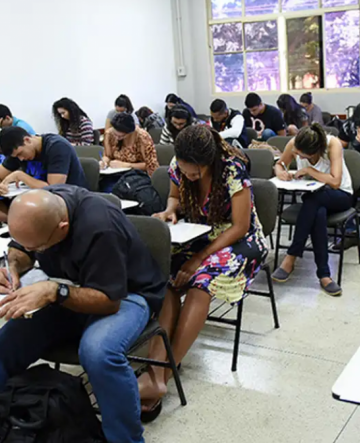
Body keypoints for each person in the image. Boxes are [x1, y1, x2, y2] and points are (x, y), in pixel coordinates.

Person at [0, 186, 167, 443]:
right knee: (2, 348)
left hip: (126, 294)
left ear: (63, 227)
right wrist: (13, 267)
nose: (35, 252)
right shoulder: (36, 207)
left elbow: (109, 301)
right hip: (66, 287)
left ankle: (126, 440)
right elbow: (21, 249)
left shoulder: (101, 226)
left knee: (98, 352)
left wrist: (55, 291)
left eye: (39, 248)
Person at [141, 126, 267, 417]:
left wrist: (199, 258)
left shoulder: (232, 169)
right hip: (199, 233)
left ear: (208, 163)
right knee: (169, 278)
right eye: (185, 172)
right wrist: (171, 210)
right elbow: (174, 197)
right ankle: (155, 373)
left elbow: (241, 226)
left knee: (201, 282)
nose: (189, 178)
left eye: (195, 175)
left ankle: (163, 376)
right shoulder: (179, 164)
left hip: (239, 240)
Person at [0, 127, 88, 283]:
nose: (20, 159)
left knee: (27, 220)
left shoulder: (57, 146)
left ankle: (17, 266)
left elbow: (53, 187)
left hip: (61, 206)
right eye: (16, 157)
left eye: (20, 154)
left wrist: (21, 175)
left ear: (28, 140)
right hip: (31, 204)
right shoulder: (17, 151)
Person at [271, 125, 353, 296]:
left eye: (302, 156)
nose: (298, 156)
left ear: (315, 152)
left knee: (313, 200)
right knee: (318, 212)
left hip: (341, 195)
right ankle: (324, 275)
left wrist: (309, 170)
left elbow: (335, 181)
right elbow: (280, 164)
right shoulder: (294, 143)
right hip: (315, 198)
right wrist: (281, 173)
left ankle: (292, 255)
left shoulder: (333, 144)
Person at [102, 113, 160, 191]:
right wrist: (104, 162)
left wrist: (127, 165)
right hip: (114, 175)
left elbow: (151, 166)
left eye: (121, 136)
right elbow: (107, 156)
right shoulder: (109, 134)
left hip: (137, 176)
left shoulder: (142, 137)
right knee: (105, 187)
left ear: (130, 132)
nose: (117, 138)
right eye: (115, 134)